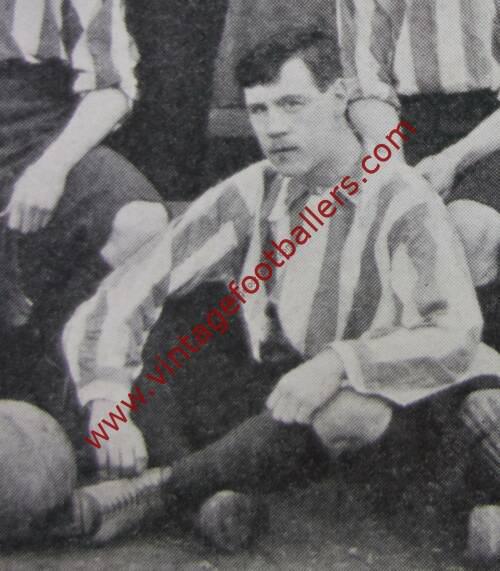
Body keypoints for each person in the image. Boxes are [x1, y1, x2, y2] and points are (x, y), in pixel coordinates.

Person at [63, 27, 500, 557]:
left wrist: (340, 362)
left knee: (349, 411)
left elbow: (454, 332)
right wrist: (107, 404)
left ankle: (162, 491)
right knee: (160, 335)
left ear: (339, 98)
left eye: (292, 104)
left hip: (400, 407)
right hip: (286, 391)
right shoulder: (257, 189)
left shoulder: (401, 198)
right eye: (259, 110)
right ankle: (214, 493)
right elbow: (134, 286)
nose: (275, 129)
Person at [0, 0, 167, 463]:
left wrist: (49, 169)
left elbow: (113, 87)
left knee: (140, 222)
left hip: (40, 134)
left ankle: (51, 352)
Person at [339, 0, 500, 350]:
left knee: (468, 230)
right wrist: (394, 168)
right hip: (399, 127)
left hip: (490, 129)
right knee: (383, 237)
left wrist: (453, 159)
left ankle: (478, 369)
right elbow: (366, 84)